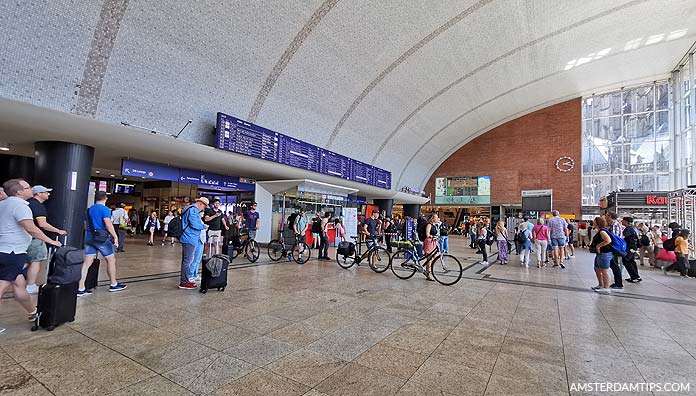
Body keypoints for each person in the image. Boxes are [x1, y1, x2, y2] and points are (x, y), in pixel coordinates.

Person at [0, 179, 62, 332]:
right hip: (12, 252)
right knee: (2, 288)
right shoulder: (20, 206)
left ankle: (33, 312)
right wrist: (51, 241)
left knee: (19, 285)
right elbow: (31, 228)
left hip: (8, 250)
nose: (31, 189)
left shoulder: (3, 204)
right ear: (19, 191)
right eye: (28, 187)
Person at [79, 191, 127, 296]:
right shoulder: (105, 209)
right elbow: (108, 224)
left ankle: (81, 288)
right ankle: (113, 284)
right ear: (105, 199)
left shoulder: (89, 210)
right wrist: (115, 237)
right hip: (101, 239)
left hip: (89, 237)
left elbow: (85, 225)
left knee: (87, 262)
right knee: (111, 260)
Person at [24, 185, 68, 294]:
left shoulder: (27, 203)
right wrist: (58, 231)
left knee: (25, 261)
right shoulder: (38, 206)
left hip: (23, 236)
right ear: (38, 193)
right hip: (34, 237)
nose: (48, 194)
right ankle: (30, 285)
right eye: (46, 192)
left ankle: (17, 281)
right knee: (35, 261)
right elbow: (42, 224)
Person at [179, 197, 208, 289]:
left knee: (187, 260)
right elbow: (194, 224)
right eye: (204, 206)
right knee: (187, 261)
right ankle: (184, 282)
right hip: (189, 238)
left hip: (188, 237)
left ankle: (185, 280)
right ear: (200, 203)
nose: (203, 208)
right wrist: (204, 226)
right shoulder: (193, 210)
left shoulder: (189, 209)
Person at [589, 217, 613, 294]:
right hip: (600, 253)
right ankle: (600, 284)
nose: (593, 222)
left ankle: (606, 287)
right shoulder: (599, 231)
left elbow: (608, 240)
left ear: (597, 222)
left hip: (604, 253)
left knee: (604, 270)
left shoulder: (602, 231)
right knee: (597, 269)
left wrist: (598, 246)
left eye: (594, 221)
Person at [607, 212, 625, 291]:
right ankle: (617, 283)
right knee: (614, 265)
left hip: (615, 247)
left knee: (614, 265)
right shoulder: (613, 224)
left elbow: (614, 237)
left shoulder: (615, 225)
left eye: (607, 216)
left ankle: (618, 283)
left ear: (610, 216)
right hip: (614, 247)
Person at [621, 217, 641, 283]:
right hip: (633, 247)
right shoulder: (633, 228)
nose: (622, 221)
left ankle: (635, 277)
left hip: (630, 247)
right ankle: (636, 277)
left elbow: (623, 237)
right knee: (631, 261)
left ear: (626, 221)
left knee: (626, 260)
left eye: (623, 220)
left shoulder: (628, 229)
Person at [422, 214, 440, 281]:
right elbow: (427, 234)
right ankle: (428, 273)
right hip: (429, 242)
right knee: (429, 258)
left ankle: (429, 270)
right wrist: (432, 236)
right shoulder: (429, 225)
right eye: (436, 217)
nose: (437, 218)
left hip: (433, 242)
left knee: (434, 256)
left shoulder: (434, 225)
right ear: (432, 218)